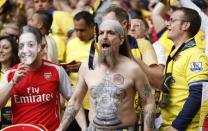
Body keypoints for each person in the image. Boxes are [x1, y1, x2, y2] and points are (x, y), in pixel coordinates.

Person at [56, 19, 156, 131]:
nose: (104, 36)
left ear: (121, 40)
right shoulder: (87, 68)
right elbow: (75, 101)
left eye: (111, 33)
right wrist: (61, 129)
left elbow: (149, 102)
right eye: (101, 33)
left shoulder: (133, 69)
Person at [0, 25, 86, 131]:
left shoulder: (56, 70)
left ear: (41, 47)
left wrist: (81, 128)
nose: (25, 50)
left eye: (30, 45)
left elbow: (74, 100)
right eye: (21, 46)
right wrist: (13, 82)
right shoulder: (10, 74)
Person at [159, 7, 208, 131]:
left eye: (172, 20)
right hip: (166, 125)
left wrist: (176, 127)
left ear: (185, 25)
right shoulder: (175, 53)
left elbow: (198, 93)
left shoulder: (195, 55)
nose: (167, 24)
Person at [102, 5, 163, 88]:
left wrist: (132, 58)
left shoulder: (142, 44)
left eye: (110, 24)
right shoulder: (99, 46)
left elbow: (158, 81)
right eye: (103, 25)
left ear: (124, 24)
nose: (105, 29)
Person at [64, 11, 95, 131]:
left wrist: (82, 68)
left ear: (92, 27)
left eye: (82, 30)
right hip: (73, 102)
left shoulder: (100, 44)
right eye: (76, 30)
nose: (78, 33)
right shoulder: (71, 44)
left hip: (92, 103)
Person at [0, 36, 20, 129]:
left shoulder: (20, 72)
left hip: (17, 119)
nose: (1, 50)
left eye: (5, 48)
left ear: (13, 52)